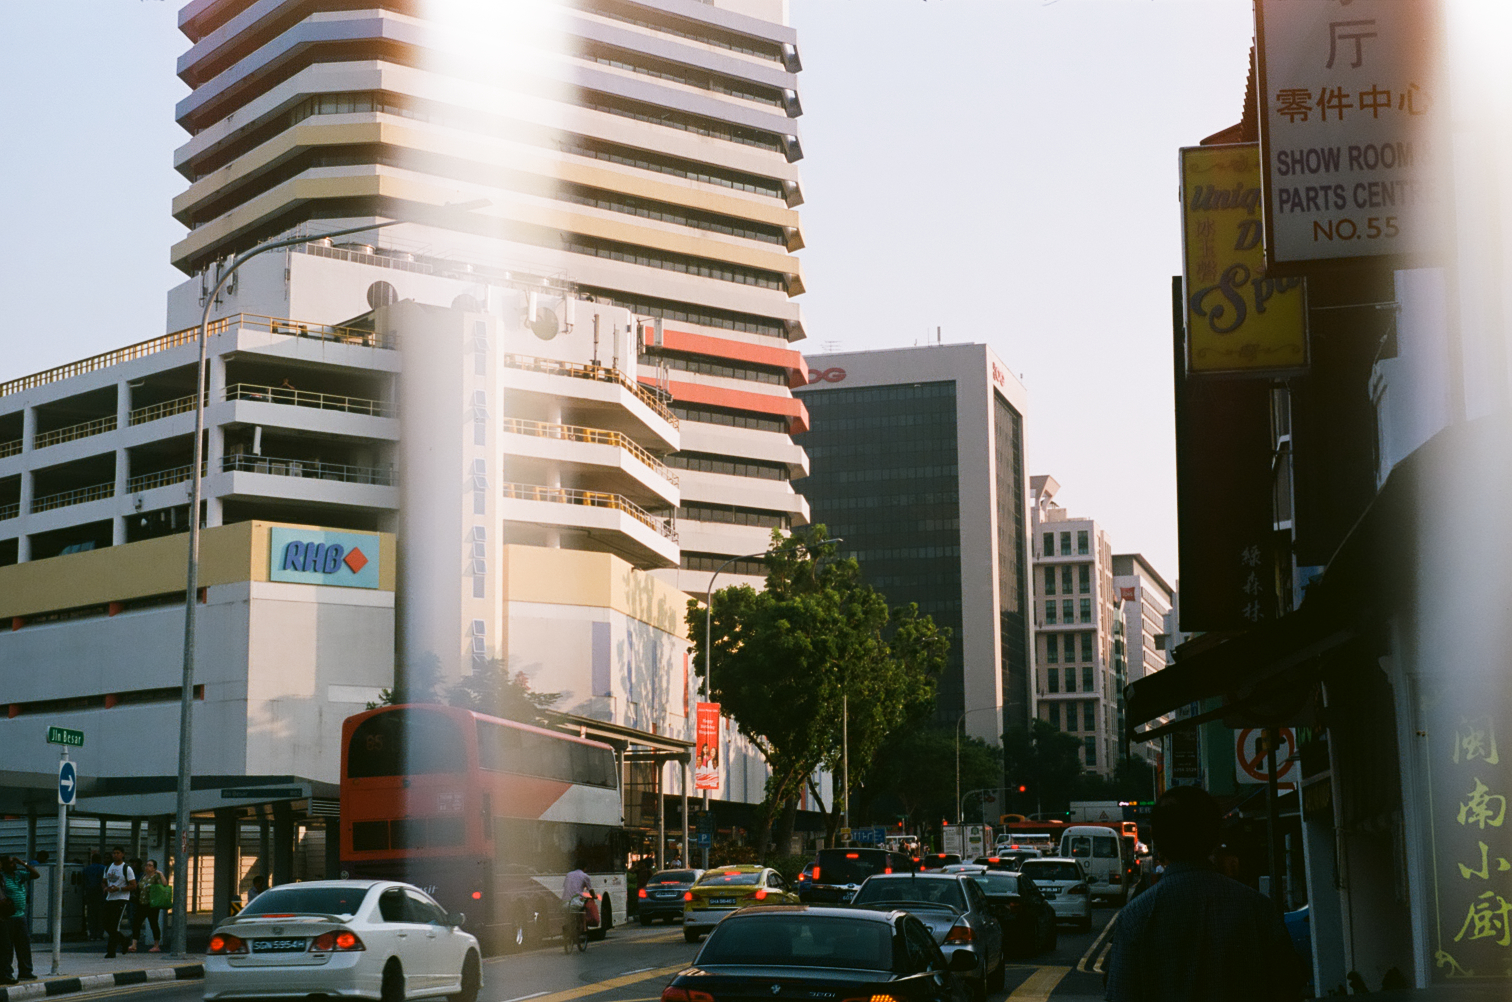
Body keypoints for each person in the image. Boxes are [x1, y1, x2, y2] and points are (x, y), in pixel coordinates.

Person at [1103, 787, 1305, 1002]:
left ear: (1154, 836)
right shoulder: (1258, 909)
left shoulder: (1136, 916)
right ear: (1215, 835)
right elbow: (1288, 988)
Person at [0, 856, 40, 982]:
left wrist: (24, 863)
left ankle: (25, 971)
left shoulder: (19, 875)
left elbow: (36, 875)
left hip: (20, 915)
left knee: (23, 945)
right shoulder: (2, 877)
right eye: (10, 863)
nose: (13, 865)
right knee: (6, 947)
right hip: (6, 916)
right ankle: (6, 973)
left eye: (14, 863)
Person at [101, 847, 136, 959]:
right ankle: (123, 939)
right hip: (110, 898)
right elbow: (103, 881)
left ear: (122, 854)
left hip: (121, 898)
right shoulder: (108, 868)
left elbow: (133, 885)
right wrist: (105, 888)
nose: (115, 855)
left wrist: (119, 889)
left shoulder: (127, 869)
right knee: (105, 923)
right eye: (114, 853)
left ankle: (111, 951)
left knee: (115, 924)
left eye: (118, 853)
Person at [129, 859, 168, 953]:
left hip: (151, 904)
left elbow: (164, 884)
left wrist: (160, 874)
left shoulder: (155, 877)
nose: (147, 867)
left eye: (150, 865)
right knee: (136, 923)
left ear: (154, 868)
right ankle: (134, 944)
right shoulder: (143, 876)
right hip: (141, 903)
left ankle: (156, 945)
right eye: (147, 865)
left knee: (153, 924)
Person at [82, 851, 106, 941]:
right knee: (100, 914)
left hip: (90, 893)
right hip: (100, 893)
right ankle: (100, 933)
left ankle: (92, 933)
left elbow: (84, 881)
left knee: (91, 914)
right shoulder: (104, 868)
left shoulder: (87, 869)